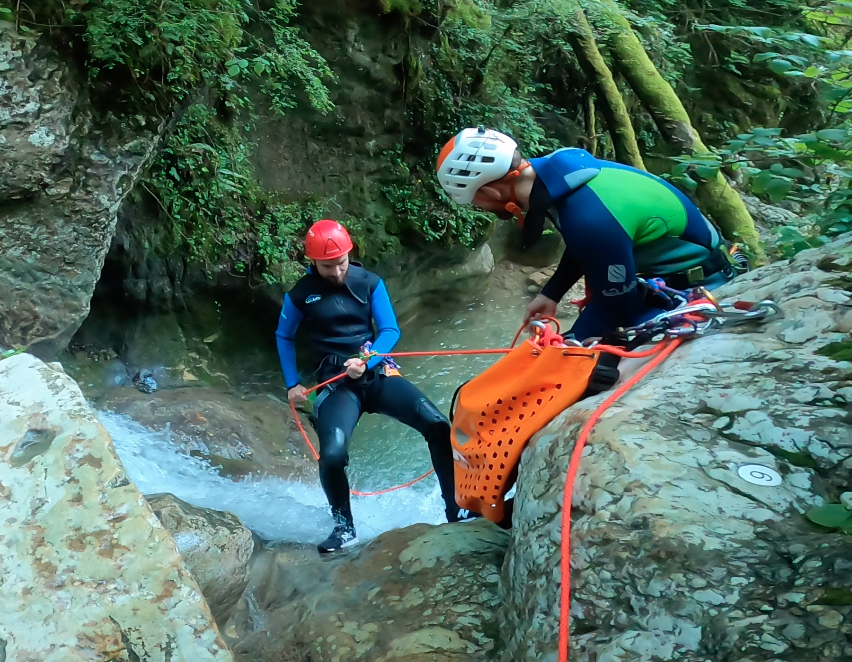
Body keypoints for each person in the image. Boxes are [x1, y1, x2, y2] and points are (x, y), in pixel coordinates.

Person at [436, 126, 745, 386]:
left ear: (491, 193)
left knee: (574, 372)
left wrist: (564, 345)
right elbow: (585, 245)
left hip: (700, 286)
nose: (479, 208)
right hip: (672, 273)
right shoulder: (555, 175)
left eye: (476, 201)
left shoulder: (588, 218)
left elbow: (617, 306)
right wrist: (551, 293)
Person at [275, 220, 471, 553]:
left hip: (376, 373)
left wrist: (367, 360)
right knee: (333, 455)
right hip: (336, 384)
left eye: (341, 263)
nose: (337, 272)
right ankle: (344, 527)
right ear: (313, 262)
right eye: (327, 266)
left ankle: (456, 509)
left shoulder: (369, 282)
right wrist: (292, 383)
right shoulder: (299, 296)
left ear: (349, 254)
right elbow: (284, 336)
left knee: (438, 425)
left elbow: (390, 330)